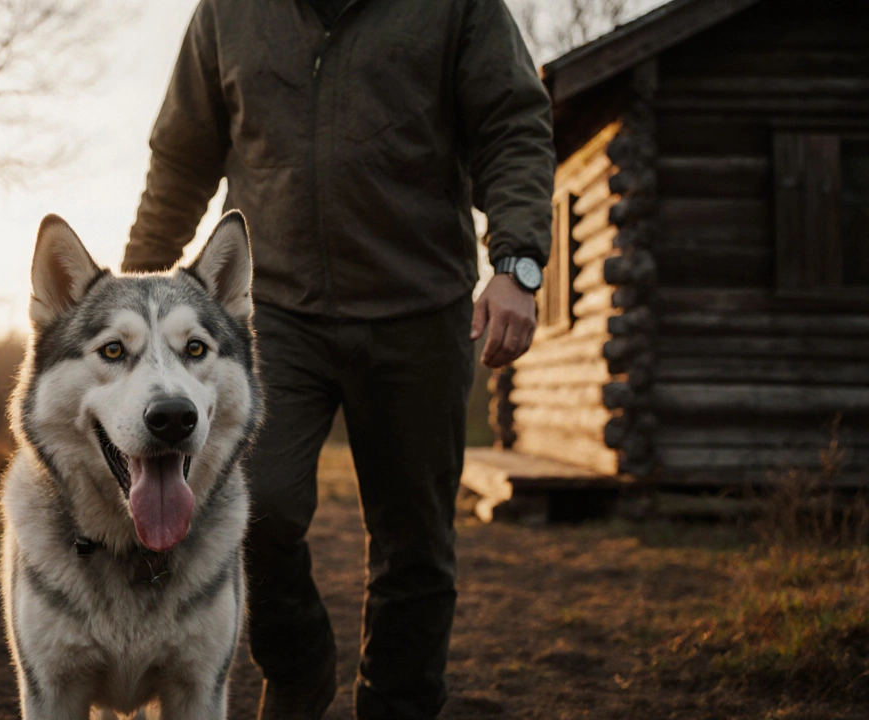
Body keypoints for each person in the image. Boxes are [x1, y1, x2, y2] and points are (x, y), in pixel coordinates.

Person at [122, 0, 554, 717]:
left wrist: (515, 262)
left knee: (414, 542)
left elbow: (513, 125)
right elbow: (181, 159)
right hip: (274, 313)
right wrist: (130, 294)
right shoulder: (228, 13)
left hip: (418, 305)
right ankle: (297, 665)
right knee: (251, 504)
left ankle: (399, 703)